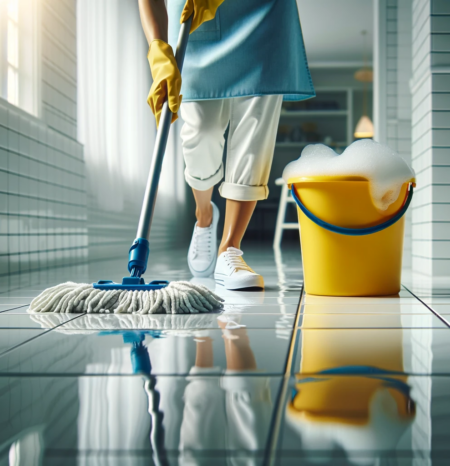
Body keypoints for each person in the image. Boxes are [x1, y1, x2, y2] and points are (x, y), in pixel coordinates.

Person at [138, 0, 314, 290]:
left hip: (264, 13)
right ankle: (204, 215)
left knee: (254, 131)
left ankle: (229, 249)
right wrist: (157, 46)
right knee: (200, 132)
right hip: (197, 20)